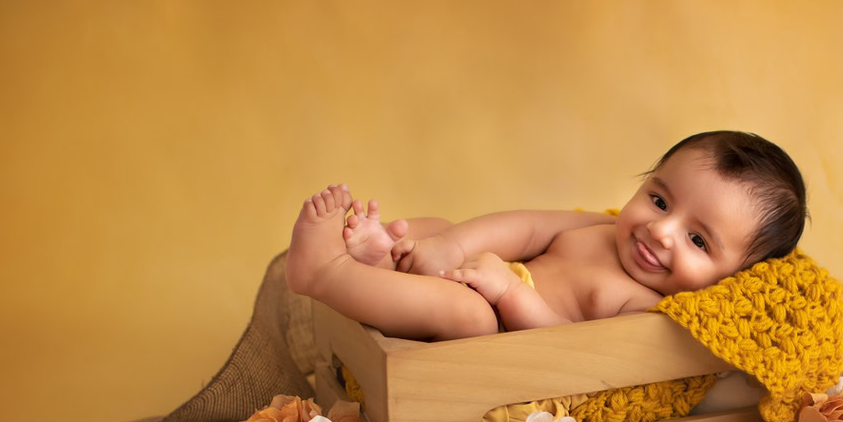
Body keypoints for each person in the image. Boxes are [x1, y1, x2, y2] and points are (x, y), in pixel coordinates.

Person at [284, 131, 808, 341]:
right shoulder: (602, 228)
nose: (661, 230)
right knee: (445, 228)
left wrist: (509, 294)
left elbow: (570, 349)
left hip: (492, 330)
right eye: (660, 199)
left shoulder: (644, 311)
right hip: (478, 276)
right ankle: (384, 258)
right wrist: (450, 248)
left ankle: (327, 274)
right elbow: (528, 225)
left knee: (467, 315)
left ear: (734, 281)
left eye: (698, 241)